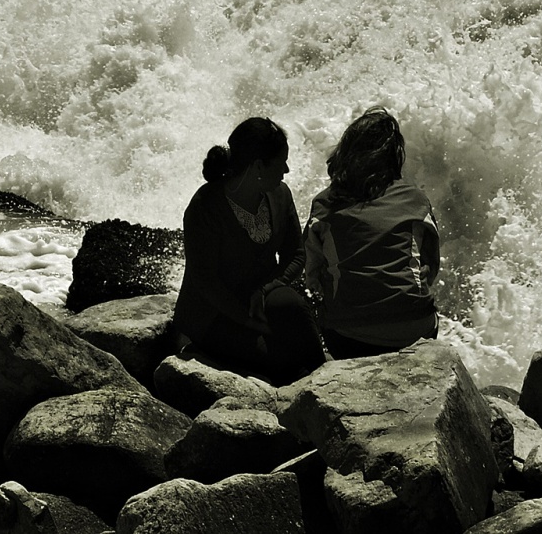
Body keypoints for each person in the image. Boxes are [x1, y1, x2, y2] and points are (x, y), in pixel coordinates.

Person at [173, 117, 325, 383]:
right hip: (214, 313)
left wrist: (264, 291)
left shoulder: (280, 195)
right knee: (279, 360)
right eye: (281, 163)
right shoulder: (205, 207)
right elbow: (205, 282)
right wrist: (248, 321)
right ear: (257, 166)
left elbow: (296, 255)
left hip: (259, 298)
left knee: (296, 310)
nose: (286, 170)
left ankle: (324, 381)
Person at [305, 107, 441, 359]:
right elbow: (430, 269)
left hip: (348, 338)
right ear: (395, 156)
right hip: (414, 331)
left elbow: (312, 276)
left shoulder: (324, 205)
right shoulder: (416, 199)